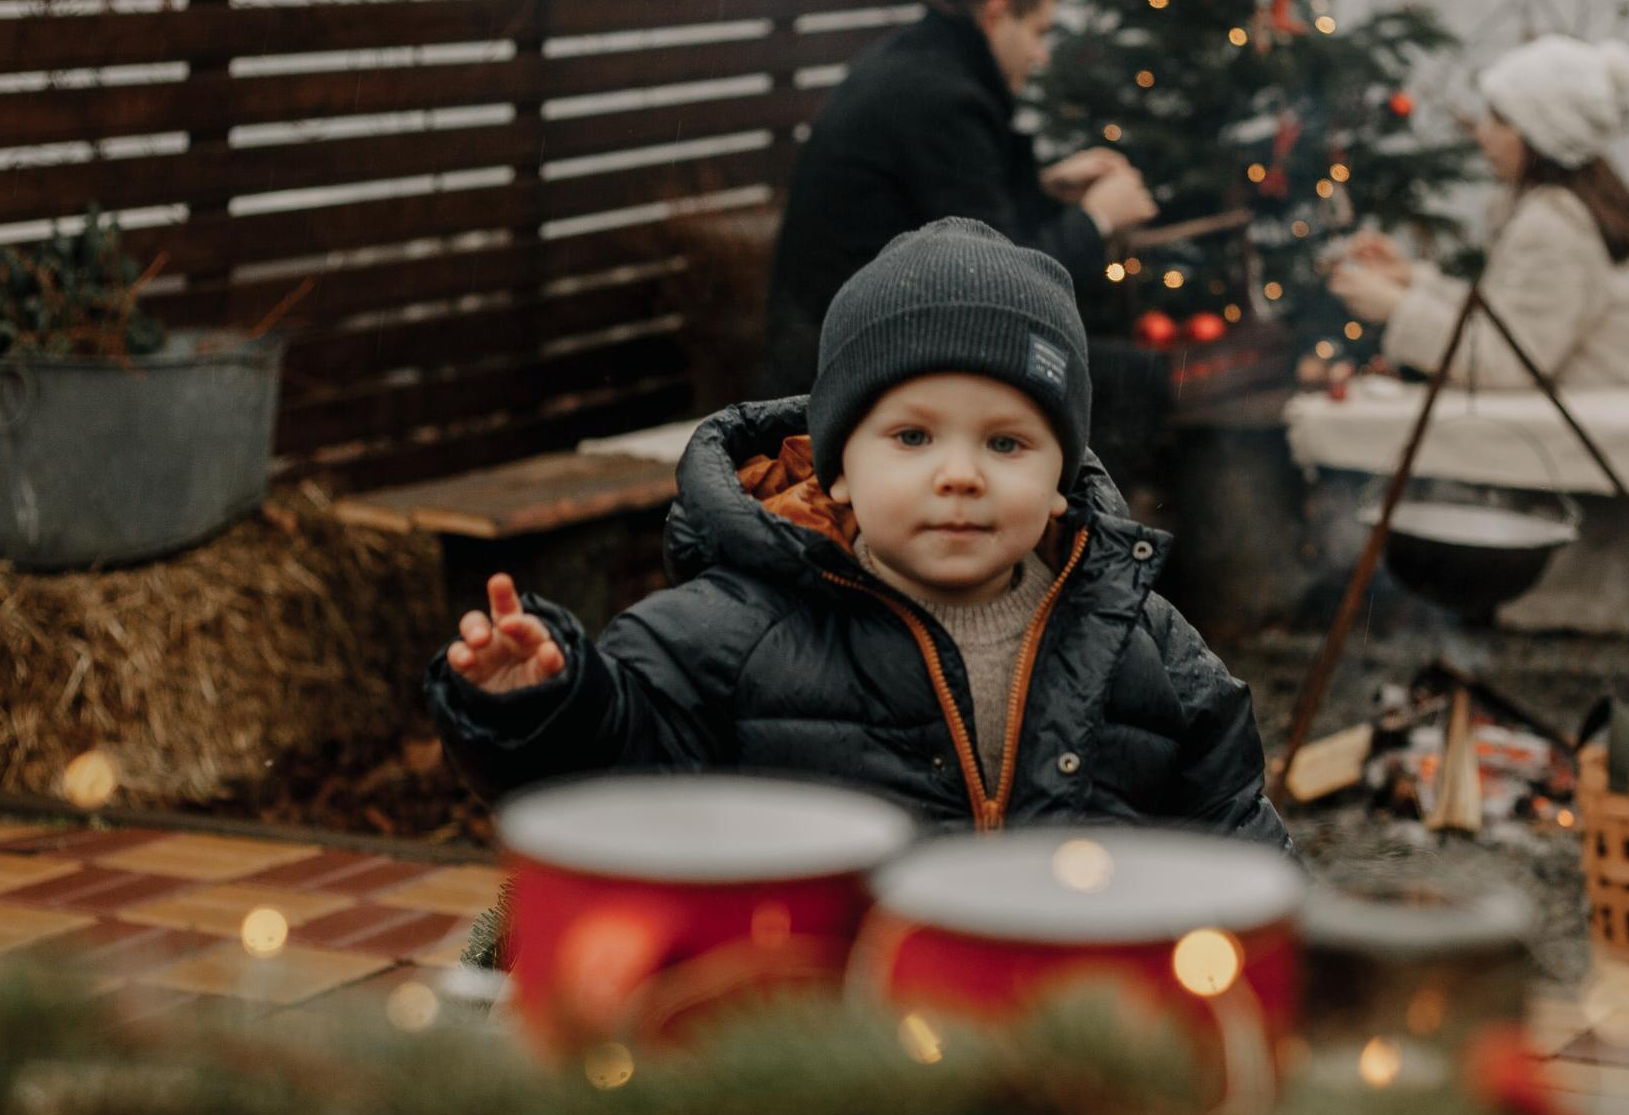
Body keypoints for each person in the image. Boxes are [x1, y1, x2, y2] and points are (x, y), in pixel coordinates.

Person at [430, 216, 1288, 851]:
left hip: (1063, 1036)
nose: (961, 473)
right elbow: (613, 776)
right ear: (836, 467)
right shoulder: (728, 632)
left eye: (1007, 442)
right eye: (912, 437)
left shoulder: (1146, 646)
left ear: (1062, 481)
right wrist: (539, 707)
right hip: (828, 1048)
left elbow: (1235, 834)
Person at [1325, 35, 1629, 636]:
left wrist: (1398, 309)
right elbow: (1506, 316)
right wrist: (1412, 280)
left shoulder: (1556, 223)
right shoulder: (1573, 204)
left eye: (1499, 119)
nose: (1483, 132)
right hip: (1622, 438)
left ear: (1537, 132)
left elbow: (1507, 359)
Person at [758, 0, 1158, 397]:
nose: (1041, 55)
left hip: (843, 341)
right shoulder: (946, 99)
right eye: (1039, 32)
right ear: (997, 12)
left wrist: (1048, 185)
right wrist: (1097, 218)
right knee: (1140, 382)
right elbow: (997, 282)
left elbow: (943, 206)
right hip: (867, 364)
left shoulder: (918, 61)